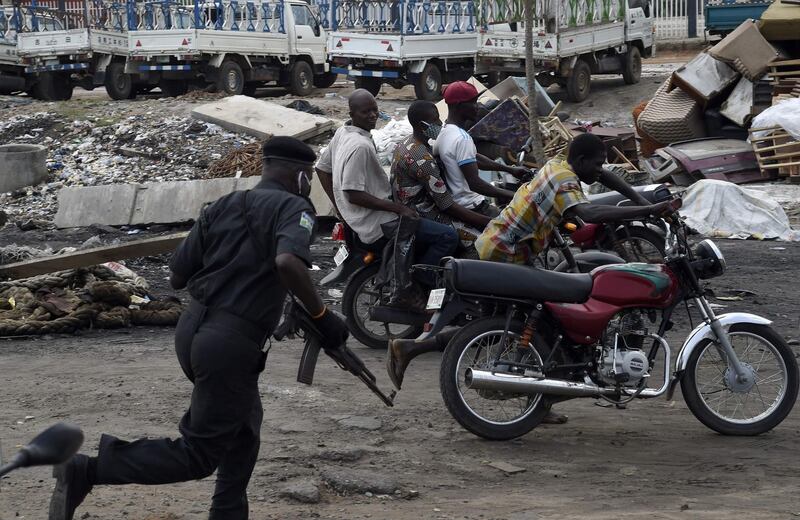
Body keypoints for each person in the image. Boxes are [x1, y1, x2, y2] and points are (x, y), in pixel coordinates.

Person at [48, 137, 350, 520]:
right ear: (302, 176)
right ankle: (88, 470)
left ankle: (227, 512)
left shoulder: (223, 205)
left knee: (243, 426)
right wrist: (324, 316)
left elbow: (176, 276)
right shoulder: (294, 207)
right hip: (229, 343)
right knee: (199, 454)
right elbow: (289, 262)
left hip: (192, 330)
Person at [316, 89, 459, 306]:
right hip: (378, 223)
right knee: (448, 236)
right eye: (366, 112)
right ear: (353, 113)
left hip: (361, 218)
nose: (372, 115)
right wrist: (398, 209)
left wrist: (340, 208)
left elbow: (321, 169)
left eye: (374, 110)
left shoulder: (342, 133)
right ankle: (417, 285)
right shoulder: (361, 147)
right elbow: (353, 194)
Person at [475, 132, 679, 265]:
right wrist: (647, 210)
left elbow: (605, 175)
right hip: (505, 252)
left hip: (504, 244)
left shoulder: (561, 162)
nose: (600, 170)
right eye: (597, 164)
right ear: (581, 161)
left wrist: (641, 200)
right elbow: (588, 213)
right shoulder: (564, 178)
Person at [391, 100, 492, 255]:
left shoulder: (405, 143)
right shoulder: (422, 160)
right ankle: (433, 276)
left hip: (407, 205)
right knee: (478, 242)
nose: (439, 122)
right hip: (422, 213)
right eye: (434, 120)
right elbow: (447, 205)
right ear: (421, 125)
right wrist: (487, 221)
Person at [433, 81, 532, 217]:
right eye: (473, 102)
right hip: (472, 205)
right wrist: (516, 196)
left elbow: (475, 158)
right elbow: (475, 184)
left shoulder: (445, 131)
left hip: (458, 201)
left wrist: (510, 169)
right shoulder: (462, 138)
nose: (478, 107)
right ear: (458, 106)